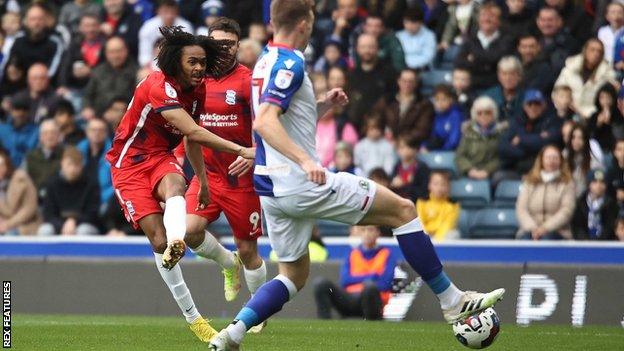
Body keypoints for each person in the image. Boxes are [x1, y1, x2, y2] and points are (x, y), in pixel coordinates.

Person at [209, 1, 505, 348]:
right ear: (304, 24)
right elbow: (265, 122)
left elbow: (285, 117)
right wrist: (306, 161)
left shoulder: (263, 61)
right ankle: (453, 301)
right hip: (301, 182)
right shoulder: (290, 62)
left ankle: (231, 333)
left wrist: (322, 105)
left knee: (293, 275)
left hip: (272, 191)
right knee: (404, 211)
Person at [105, 26, 254, 342]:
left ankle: (180, 243)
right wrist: (243, 149)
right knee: (158, 243)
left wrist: (201, 181)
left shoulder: (196, 90)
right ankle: (195, 317)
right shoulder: (159, 87)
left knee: (175, 186)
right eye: (193, 62)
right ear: (176, 62)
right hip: (128, 166)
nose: (199, 68)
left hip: (159, 155)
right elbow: (196, 132)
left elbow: (190, 138)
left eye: (202, 62)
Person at [178, 19, 267, 328]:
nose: (223, 49)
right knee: (188, 231)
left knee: (249, 250)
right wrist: (178, 159)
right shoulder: (195, 81)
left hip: (241, 180)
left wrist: (256, 156)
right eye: (217, 43)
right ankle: (228, 263)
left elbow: (267, 127)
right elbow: (186, 128)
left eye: (229, 44)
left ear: (238, 45)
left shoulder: (249, 81)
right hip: (208, 175)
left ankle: (258, 313)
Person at [313, 225, 397, 320]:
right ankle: (324, 325)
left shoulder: (387, 254)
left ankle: (372, 325)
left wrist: (362, 281)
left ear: (378, 233)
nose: (367, 234)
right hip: (350, 298)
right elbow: (345, 280)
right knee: (321, 283)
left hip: (373, 302)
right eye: (363, 230)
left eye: (370, 230)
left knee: (369, 287)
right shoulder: (352, 253)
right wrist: (372, 276)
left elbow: (385, 284)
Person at [498, 90, 562, 180]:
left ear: (543, 106)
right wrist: (527, 151)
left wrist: (520, 139)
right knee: (498, 178)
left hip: (542, 171)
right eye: (530, 104)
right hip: (516, 168)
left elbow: (547, 143)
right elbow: (503, 147)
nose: (533, 107)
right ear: (524, 106)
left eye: (537, 104)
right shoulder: (517, 121)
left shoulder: (550, 121)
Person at [516, 145, 576, 240]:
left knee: (547, 240)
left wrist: (545, 228)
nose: (551, 161)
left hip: (558, 232)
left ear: (560, 161)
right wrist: (533, 228)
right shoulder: (529, 182)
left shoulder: (567, 183)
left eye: (555, 158)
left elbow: (566, 211)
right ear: (541, 160)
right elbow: (521, 209)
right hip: (529, 230)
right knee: (525, 241)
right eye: (548, 158)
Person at [37, 146, 100, 236]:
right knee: (45, 230)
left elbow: (92, 213)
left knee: (83, 230)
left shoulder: (91, 184)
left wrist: (74, 222)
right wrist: (63, 225)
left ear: (82, 166)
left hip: (83, 225)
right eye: (69, 164)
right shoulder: (52, 183)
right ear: (62, 164)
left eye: (76, 165)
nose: (72, 169)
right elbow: (48, 214)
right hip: (58, 225)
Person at [453, 2, 513, 91]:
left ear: (499, 21)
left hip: (496, 87)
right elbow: (458, 61)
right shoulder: (470, 38)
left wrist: (473, 58)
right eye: (483, 15)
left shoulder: (506, 39)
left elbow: (497, 58)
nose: (487, 19)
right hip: (471, 87)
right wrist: (488, 62)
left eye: (491, 16)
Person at [555, 38, 618, 120]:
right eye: (592, 50)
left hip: (592, 116)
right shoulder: (570, 68)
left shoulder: (608, 74)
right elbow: (557, 91)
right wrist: (563, 104)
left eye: (599, 51)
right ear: (585, 51)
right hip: (567, 112)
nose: (596, 54)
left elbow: (609, 98)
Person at [347, 33, 396, 130]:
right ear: (357, 49)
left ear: (377, 48)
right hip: (356, 126)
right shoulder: (351, 75)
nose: (367, 50)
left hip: (381, 126)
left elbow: (392, 99)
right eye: (363, 47)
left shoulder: (389, 73)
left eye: (371, 47)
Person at [82, 37, 138, 120]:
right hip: (99, 116)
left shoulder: (136, 71)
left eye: (119, 51)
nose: (116, 55)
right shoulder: (98, 71)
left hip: (125, 115)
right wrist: (87, 108)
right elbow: (88, 95)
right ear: (106, 53)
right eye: (112, 52)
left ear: (126, 51)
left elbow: (137, 98)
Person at [373, 68, 434, 143]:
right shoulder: (386, 101)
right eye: (404, 81)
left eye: (411, 81)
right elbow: (375, 119)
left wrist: (400, 141)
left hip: (410, 145)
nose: (407, 84)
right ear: (398, 81)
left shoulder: (424, 104)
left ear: (416, 83)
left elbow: (422, 130)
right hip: (385, 143)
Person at [6, 3, 64, 78]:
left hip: (44, 82)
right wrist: (11, 69)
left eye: (40, 19)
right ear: (26, 21)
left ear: (46, 21)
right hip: (19, 83)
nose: (36, 23)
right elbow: (9, 63)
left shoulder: (54, 42)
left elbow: (53, 71)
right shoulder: (18, 39)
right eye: (33, 19)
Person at [455, 96, 505, 180]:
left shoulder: (501, 132)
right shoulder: (468, 132)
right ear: (475, 115)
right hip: (469, 172)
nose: (483, 116)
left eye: (487, 112)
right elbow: (460, 156)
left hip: (491, 174)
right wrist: (470, 170)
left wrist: (486, 171)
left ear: (494, 114)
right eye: (479, 113)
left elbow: (500, 157)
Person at [138, 0, 194, 67]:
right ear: (158, 11)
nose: (169, 15)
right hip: (154, 64)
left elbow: (188, 52)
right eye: (165, 12)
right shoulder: (148, 27)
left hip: (178, 64)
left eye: (172, 12)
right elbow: (144, 55)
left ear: (177, 12)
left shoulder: (186, 27)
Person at [0, 149, 39, 235]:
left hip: (25, 224)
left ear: (7, 164)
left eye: (2, 165)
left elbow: (30, 208)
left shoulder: (21, 178)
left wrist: (9, 223)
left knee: (10, 234)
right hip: (2, 225)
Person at [572, 169, 618, 240]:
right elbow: (576, 226)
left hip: (605, 244)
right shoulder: (581, 202)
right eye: (595, 182)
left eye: (602, 182)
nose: (598, 185)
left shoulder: (611, 205)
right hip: (583, 243)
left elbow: (609, 227)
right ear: (589, 184)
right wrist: (584, 240)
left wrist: (599, 241)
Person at [77, 119, 113, 211]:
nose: (97, 133)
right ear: (87, 132)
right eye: (93, 130)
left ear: (106, 133)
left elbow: (116, 184)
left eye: (101, 130)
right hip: (80, 198)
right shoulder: (78, 151)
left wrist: (104, 198)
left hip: (104, 199)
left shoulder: (114, 154)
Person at [416, 171, 460, 241]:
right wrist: (426, 238)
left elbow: (448, 225)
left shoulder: (453, 204)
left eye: (443, 184)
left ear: (448, 187)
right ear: (429, 185)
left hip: (442, 236)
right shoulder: (422, 201)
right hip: (426, 235)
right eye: (435, 184)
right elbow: (420, 223)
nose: (439, 188)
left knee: (454, 234)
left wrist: (437, 240)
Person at [23, 120, 64, 195]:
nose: (49, 136)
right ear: (40, 137)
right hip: (36, 199)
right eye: (45, 133)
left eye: (53, 133)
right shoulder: (30, 156)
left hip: (60, 198)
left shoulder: (66, 155)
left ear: (59, 136)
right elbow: (22, 179)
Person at [563, 124, 605, 197]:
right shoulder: (564, 156)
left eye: (580, 138)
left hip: (583, 200)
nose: (576, 141)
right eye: (573, 137)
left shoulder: (593, 163)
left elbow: (599, 184)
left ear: (585, 141)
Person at [0, 95, 38, 167]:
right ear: (11, 111)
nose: (21, 113)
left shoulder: (36, 131)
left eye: (24, 109)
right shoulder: (1, 129)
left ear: (29, 112)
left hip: (27, 171)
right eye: (17, 109)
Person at [483, 56, 524, 122]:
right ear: (499, 76)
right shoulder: (488, 97)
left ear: (519, 76)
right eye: (504, 74)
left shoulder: (527, 96)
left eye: (512, 74)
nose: (508, 78)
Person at [423, 84, 464, 151]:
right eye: (437, 99)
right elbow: (428, 136)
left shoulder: (456, 115)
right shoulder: (433, 114)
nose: (440, 103)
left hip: (449, 152)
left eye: (444, 99)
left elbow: (453, 141)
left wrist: (439, 152)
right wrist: (423, 147)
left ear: (451, 100)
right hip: (433, 151)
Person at [390, 134, 430, 201]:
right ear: (397, 150)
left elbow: (424, 193)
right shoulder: (397, 166)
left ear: (416, 149)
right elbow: (391, 187)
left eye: (409, 147)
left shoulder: (422, 168)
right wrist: (393, 184)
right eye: (402, 147)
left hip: (415, 204)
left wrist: (408, 184)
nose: (405, 151)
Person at [395, 6, 436, 70]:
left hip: (422, 69)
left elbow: (428, 57)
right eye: (406, 22)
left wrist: (408, 65)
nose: (409, 26)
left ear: (420, 23)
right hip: (401, 69)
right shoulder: (398, 35)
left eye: (413, 23)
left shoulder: (429, 36)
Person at [588, 83, 624, 152]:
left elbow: (620, 134)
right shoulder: (595, 116)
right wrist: (598, 124)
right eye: (602, 97)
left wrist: (610, 122)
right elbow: (591, 135)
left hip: (616, 149)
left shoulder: (619, 114)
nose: (605, 101)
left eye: (608, 97)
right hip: (598, 149)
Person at [598, 2, 624, 66]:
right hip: (604, 67)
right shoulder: (602, 31)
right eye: (613, 12)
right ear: (607, 16)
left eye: (620, 12)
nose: (616, 16)